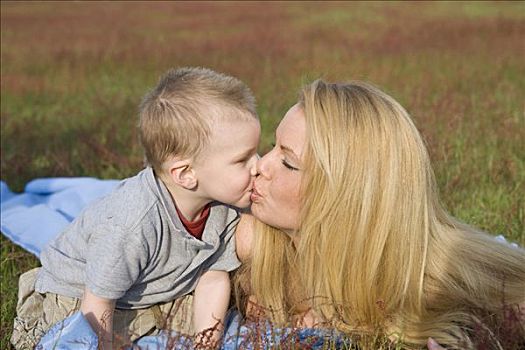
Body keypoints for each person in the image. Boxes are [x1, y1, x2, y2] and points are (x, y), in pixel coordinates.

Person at [234, 79, 525, 349]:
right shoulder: (243, 241)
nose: (260, 165)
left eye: (288, 162)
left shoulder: (447, 282)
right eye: (273, 147)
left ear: (347, 196)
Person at [11, 67, 261, 350]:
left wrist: (208, 343)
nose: (259, 166)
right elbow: (99, 300)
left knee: (228, 322)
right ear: (186, 174)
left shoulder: (223, 207)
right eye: (243, 160)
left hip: (151, 291)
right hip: (82, 300)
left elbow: (213, 276)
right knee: (77, 339)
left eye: (256, 152)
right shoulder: (133, 223)